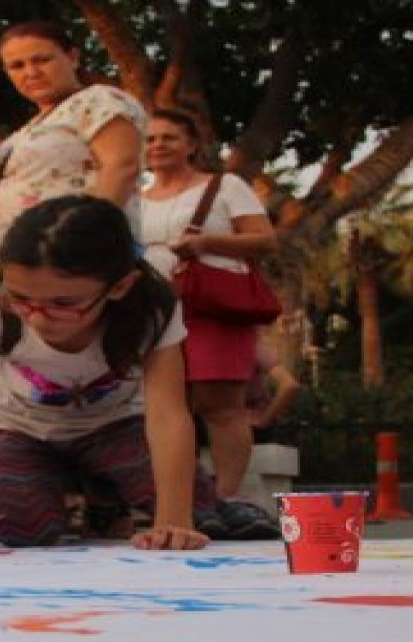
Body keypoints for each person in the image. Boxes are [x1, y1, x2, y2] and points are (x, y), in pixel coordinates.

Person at [0, 195, 210, 551]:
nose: (38, 317)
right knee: (18, 530)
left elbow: (168, 415)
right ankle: (83, 494)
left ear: (119, 287)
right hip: (17, 426)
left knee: (198, 511)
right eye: (21, 298)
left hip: (113, 425)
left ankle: (104, 493)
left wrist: (174, 521)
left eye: (63, 304)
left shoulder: (152, 309)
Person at [142, 108, 280, 540]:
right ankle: (185, 500)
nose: (158, 145)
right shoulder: (135, 198)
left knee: (220, 403)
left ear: (191, 144)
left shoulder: (225, 186)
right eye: (149, 139)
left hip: (213, 305)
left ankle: (225, 497)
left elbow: (265, 239)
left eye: (169, 137)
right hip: (156, 306)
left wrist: (205, 242)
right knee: (163, 404)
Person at [0, 21, 145, 256]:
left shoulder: (99, 100)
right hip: (25, 262)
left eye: (42, 60)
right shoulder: (27, 130)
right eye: (17, 66)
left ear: (73, 58)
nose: (31, 72)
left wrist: (88, 235)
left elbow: (122, 167)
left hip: (80, 257)